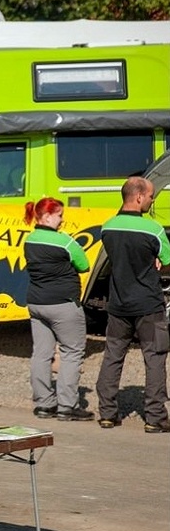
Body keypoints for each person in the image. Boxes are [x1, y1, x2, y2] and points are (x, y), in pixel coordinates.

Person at [94, 176, 170, 434]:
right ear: (138, 197)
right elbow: (167, 258)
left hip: (118, 304)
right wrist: (158, 261)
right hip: (149, 305)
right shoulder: (154, 229)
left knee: (113, 357)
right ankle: (155, 418)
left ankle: (107, 414)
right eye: (150, 196)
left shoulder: (107, 227)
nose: (152, 200)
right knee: (155, 358)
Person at [22, 197, 90, 421]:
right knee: (72, 352)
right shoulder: (65, 242)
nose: (62, 220)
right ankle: (67, 406)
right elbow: (84, 265)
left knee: (41, 353)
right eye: (60, 215)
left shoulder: (30, 240)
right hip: (63, 304)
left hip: (37, 303)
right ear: (48, 216)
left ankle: (44, 403)